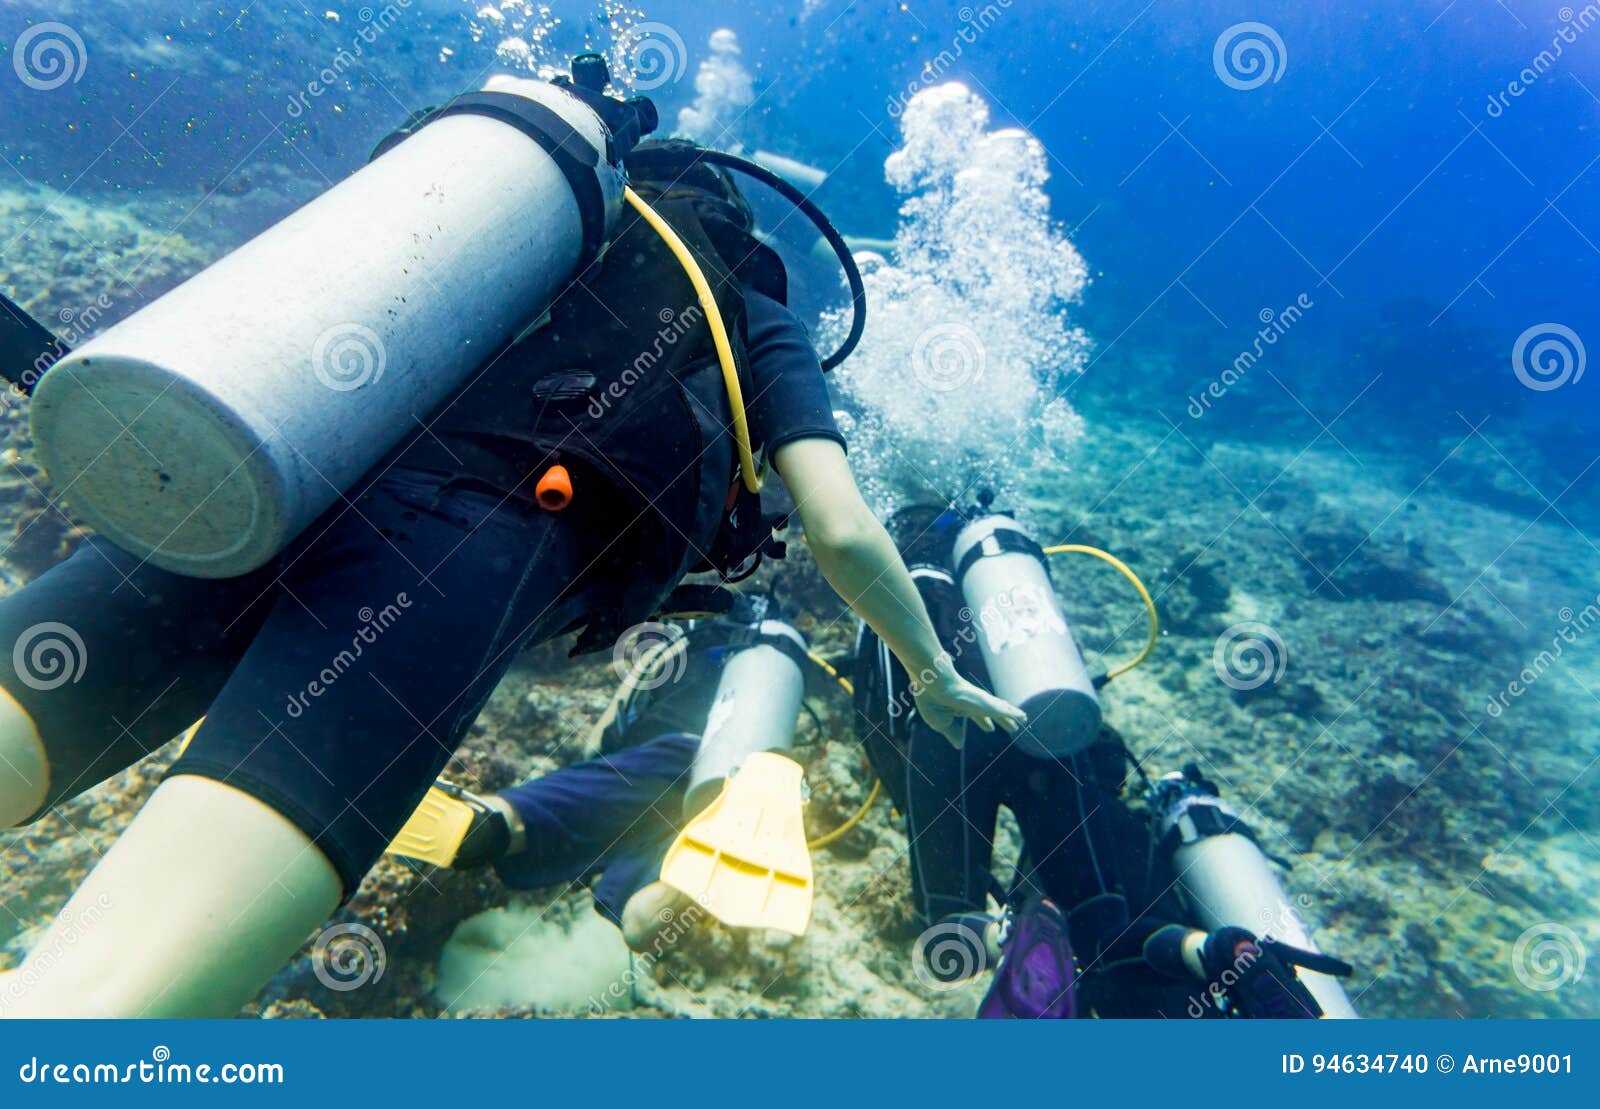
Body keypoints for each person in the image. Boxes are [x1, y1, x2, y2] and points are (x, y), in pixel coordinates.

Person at [0, 130, 1022, 1017]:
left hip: (269, 482)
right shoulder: (747, 308)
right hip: (454, 559)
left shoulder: (513, 250)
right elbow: (841, 529)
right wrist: (929, 668)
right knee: (99, 1004)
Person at [851, 507, 1354, 1019]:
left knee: (949, 938)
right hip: (1051, 732)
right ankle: (1177, 949)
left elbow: (882, 733)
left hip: (953, 738)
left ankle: (1017, 935)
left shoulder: (884, 614)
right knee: (1096, 924)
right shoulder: (1016, 623)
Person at [385, 597, 836, 950]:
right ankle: (679, 886)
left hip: (657, 757)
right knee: (645, 919)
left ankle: (373, 812)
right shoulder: (779, 676)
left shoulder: (688, 636)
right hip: (720, 790)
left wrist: (595, 778)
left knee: (499, 825)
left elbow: (609, 724)